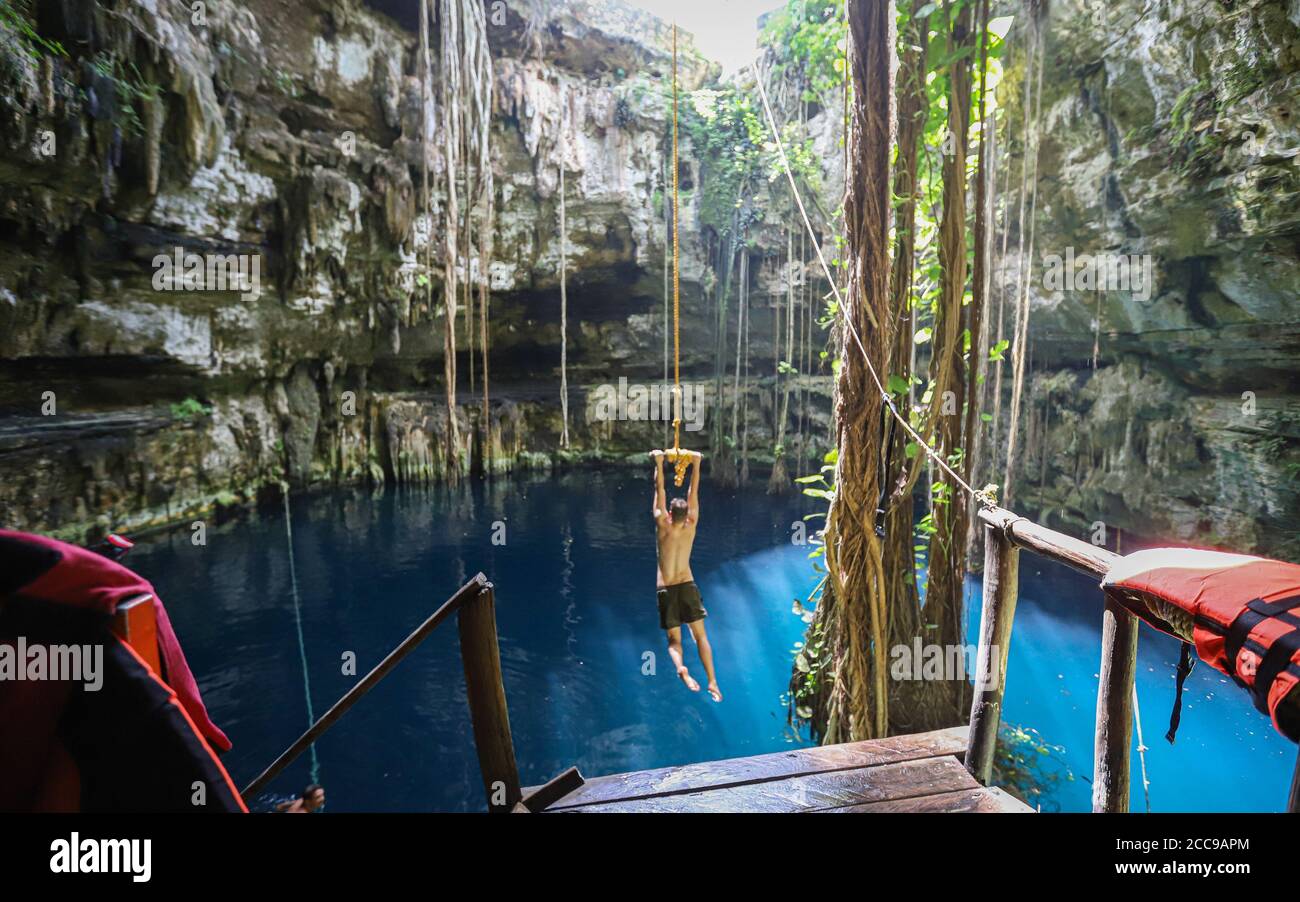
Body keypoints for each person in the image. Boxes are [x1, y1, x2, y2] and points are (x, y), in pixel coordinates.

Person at [650, 449, 721, 702]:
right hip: (687, 583)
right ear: (685, 514)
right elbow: (694, 493)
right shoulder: (692, 524)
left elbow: (660, 490)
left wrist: (659, 462)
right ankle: (712, 681)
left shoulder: (662, 525)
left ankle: (681, 668)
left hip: (666, 588)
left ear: (670, 513)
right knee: (700, 636)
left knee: (674, 642)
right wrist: (696, 464)